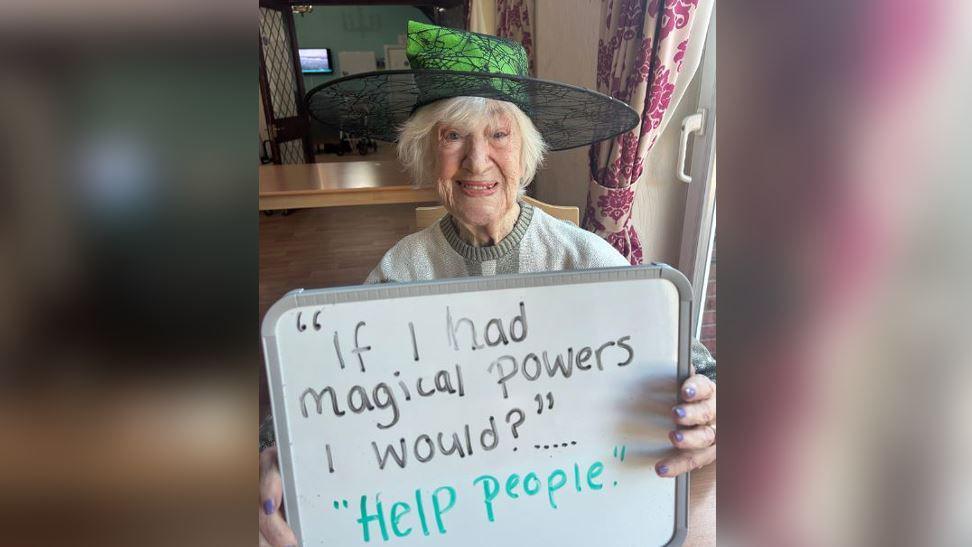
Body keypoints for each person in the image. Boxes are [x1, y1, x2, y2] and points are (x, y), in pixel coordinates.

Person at [260, 21, 715, 547]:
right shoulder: (400, 271)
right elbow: (323, 387)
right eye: (452, 136)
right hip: (440, 517)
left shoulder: (584, 258)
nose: (478, 161)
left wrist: (708, 403)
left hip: (570, 512)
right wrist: (276, 452)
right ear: (426, 154)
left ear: (525, 150)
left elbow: (692, 360)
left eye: (499, 133)